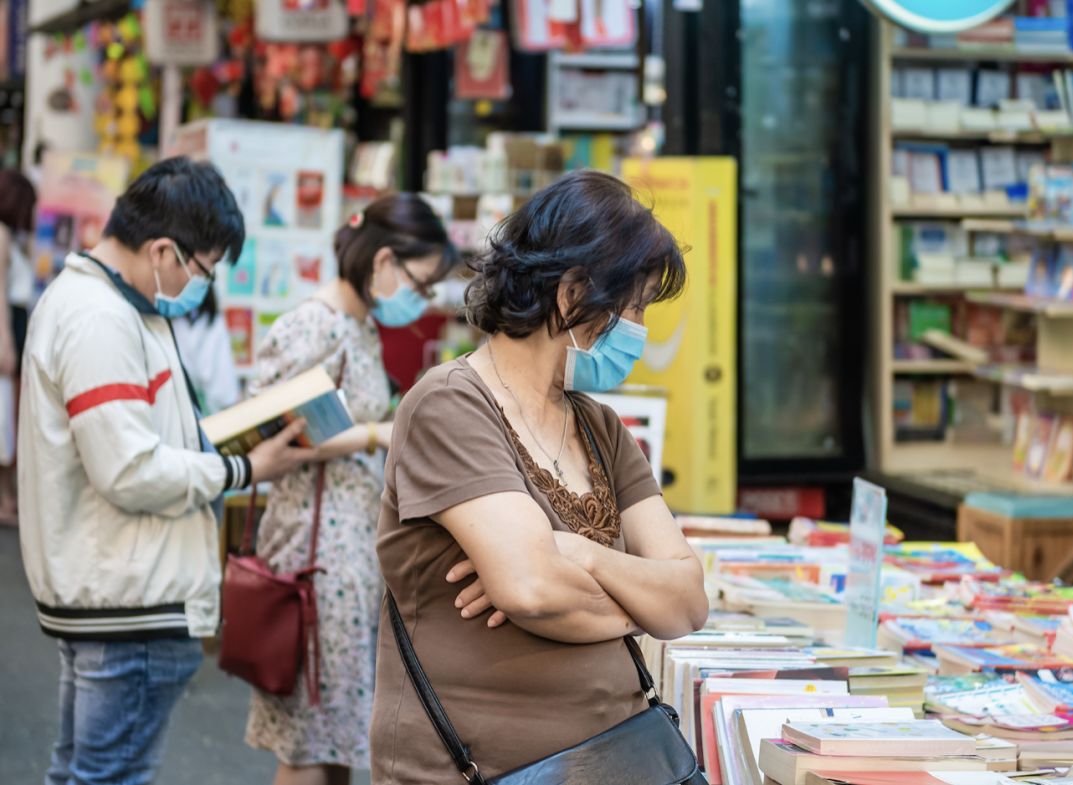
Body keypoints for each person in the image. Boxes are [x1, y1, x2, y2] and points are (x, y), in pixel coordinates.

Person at [370, 170, 709, 784]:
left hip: (614, 761)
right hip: (476, 769)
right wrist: (641, 599)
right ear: (573, 293)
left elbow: (687, 602)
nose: (641, 328)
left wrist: (580, 553)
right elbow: (532, 589)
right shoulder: (450, 404)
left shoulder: (600, 426)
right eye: (634, 305)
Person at [19, 157, 318, 785]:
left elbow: (135, 438)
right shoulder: (101, 319)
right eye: (204, 269)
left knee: (81, 772)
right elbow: (129, 470)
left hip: (116, 588)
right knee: (108, 775)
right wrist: (244, 468)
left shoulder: (110, 304)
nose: (202, 286)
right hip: (131, 597)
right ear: (163, 251)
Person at [245, 193, 459, 785]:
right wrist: (374, 433)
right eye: (419, 283)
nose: (420, 299)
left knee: (336, 731)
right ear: (384, 259)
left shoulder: (357, 324)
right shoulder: (314, 323)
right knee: (310, 741)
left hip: (347, 549)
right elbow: (276, 431)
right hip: (315, 554)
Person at [0, 169, 36, 525]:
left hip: (15, 326)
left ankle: (8, 497)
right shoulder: (2, 236)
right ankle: (6, 498)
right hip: (10, 327)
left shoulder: (10, 237)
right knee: (6, 417)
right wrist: (6, 342)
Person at [172, 287, 240, 415]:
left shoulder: (216, 324)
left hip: (216, 406)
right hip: (183, 403)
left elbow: (222, 376)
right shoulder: (175, 322)